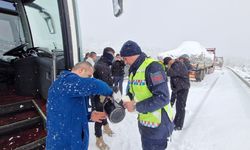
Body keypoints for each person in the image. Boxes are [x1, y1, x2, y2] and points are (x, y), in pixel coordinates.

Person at [46, 61, 113, 150]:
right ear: (81, 70)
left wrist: (89, 116)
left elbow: (66, 113)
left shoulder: (69, 86)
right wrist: (111, 93)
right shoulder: (68, 81)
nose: (89, 78)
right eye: (89, 76)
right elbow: (94, 84)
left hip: (69, 141)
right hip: (65, 144)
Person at [120, 40, 174, 150]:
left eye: (125, 58)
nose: (124, 62)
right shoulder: (134, 70)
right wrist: (127, 99)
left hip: (158, 126)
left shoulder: (153, 67)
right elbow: (132, 90)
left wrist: (136, 107)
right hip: (146, 123)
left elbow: (162, 97)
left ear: (132, 55)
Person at [91, 47, 115, 150]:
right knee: (99, 116)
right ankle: (99, 140)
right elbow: (105, 84)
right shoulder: (102, 66)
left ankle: (106, 128)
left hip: (102, 95)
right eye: (112, 55)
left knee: (103, 113)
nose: (113, 57)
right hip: (100, 96)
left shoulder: (103, 64)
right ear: (108, 54)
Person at [163, 56, 190, 130]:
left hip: (183, 88)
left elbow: (170, 73)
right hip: (178, 88)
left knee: (180, 107)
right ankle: (176, 122)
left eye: (168, 64)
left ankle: (179, 125)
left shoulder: (178, 64)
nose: (168, 66)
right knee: (178, 106)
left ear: (170, 61)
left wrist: (167, 67)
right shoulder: (175, 65)